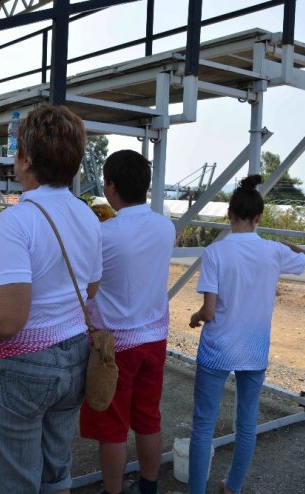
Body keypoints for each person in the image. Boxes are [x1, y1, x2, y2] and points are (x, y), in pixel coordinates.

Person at [0, 105, 102, 493]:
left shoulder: (17, 220)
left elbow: (8, 320)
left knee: (14, 480)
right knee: (55, 467)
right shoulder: (87, 216)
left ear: (26, 160)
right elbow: (90, 290)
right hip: (75, 355)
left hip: (20, 364)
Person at [187, 175, 305, 494]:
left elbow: (208, 311)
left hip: (217, 349)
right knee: (246, 423)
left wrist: (194, 317)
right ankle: (232, 487)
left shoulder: (215, 253)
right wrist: (287, 245)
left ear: (229, 214)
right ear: (259, 218)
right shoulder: (273, 252)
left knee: (203, 425)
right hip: (254, 350)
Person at [79, 150, 175, 494]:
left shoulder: (104, 234)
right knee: (148, 417)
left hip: (115, 345)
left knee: (113, 426)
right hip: (155, 339)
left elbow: (88, 285)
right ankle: (149, 486)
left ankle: (113, 491)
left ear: (112, 187)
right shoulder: (166, 227)